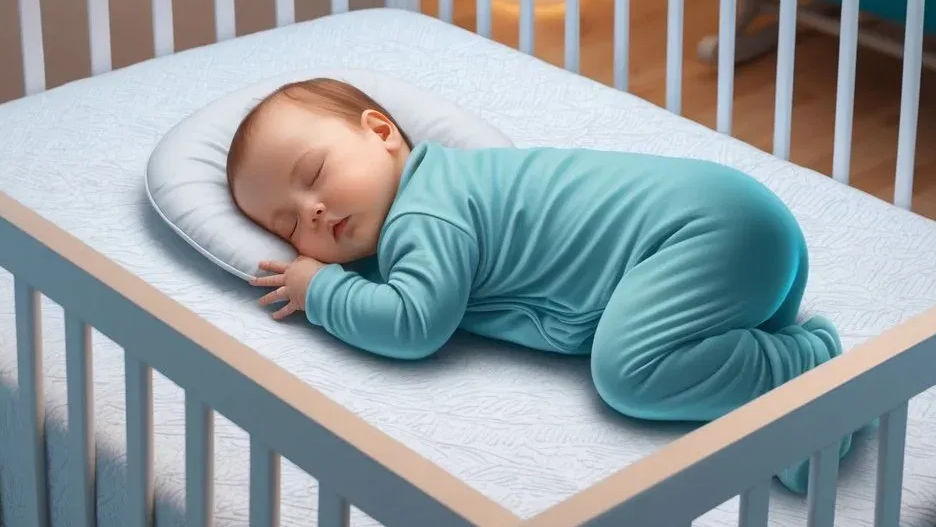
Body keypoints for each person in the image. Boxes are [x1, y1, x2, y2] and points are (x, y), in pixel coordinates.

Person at [225, 77, 852, 493]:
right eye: (285, 223)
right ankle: (779, 364)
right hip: (739, 230)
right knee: (682, 351)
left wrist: (321, 291)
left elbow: (416, 324)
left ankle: (803, 366)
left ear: (383, 134)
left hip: (697, 232)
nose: (308, 211)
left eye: (315, 173)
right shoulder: (448, 187)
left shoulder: (426, 211)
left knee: (627, 374)